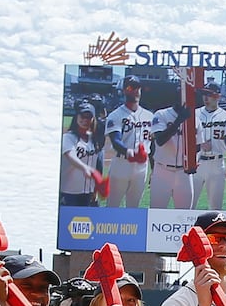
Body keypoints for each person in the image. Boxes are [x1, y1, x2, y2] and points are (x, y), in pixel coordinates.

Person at [105, 75, 153, 208]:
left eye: (138, 87)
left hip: (142, 167)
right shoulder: (115, 115)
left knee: (134, 207)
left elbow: (153, 145)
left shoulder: (149, 116)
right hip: (121, 165)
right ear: (125, 90)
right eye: (131, 87)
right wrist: (128, 152)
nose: (135, 91)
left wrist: (154, 170)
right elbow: (115, 141)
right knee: (112, 206)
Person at [193, 83, 226, 210]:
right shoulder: (195, 114)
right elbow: (186, 137)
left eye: (210, 95)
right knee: (189, 204)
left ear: (218, 96)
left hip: (217, 164)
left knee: (215, 207)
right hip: (196, 162)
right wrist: (200, 143)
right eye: (204, 95)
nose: (206, 98)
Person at [149, 100, 195, 210]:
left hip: (184, 173)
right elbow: (160, 140)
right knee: (156, 213)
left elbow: (196, 146)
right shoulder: (161, 114)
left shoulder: (194, 118)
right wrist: (179, 120)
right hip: (162, 170)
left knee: (184, 215)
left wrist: (193, 162)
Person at [60, 103, 105, 207]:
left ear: (93, 119)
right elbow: (70, 155)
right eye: (82, 116)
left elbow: (97, 164)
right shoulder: (68, 137)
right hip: (69, 193)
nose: (85, 120)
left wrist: (96, 189)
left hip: (88, 193)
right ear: (76, 117)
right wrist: (84, 167)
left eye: (88, 117)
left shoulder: (94, 139)